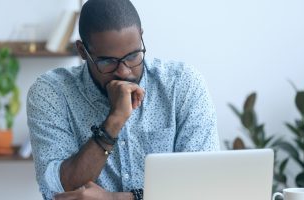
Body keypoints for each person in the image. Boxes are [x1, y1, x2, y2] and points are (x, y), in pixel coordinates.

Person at [27, 0, 220, 199]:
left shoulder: (182, 85)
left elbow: (203, 185)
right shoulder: (52, 92)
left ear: (141, 37)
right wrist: (114, 120)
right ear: (83, 51)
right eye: (107, 61)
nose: (124, 71)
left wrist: (115, 198)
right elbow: (60, 191)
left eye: (133, 55)